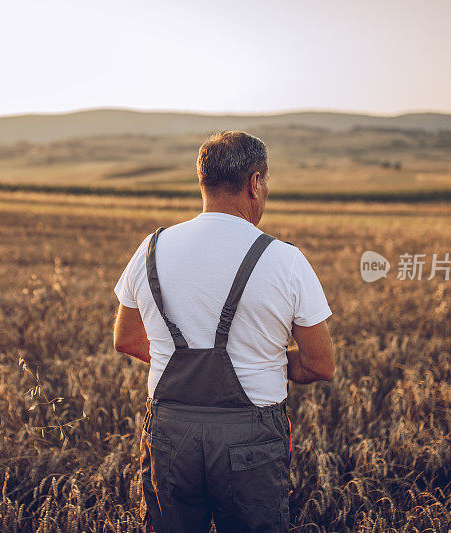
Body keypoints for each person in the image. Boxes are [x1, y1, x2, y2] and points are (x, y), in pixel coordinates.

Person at [112, 130, 335, 532]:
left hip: (169, 432)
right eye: (265, 182)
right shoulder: (285, 260)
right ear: (254, 183)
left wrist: (181, 359)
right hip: (251, 437)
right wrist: (264, 361)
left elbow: (126, 339)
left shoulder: (151, 247)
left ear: (204, 181)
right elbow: (320, 364)